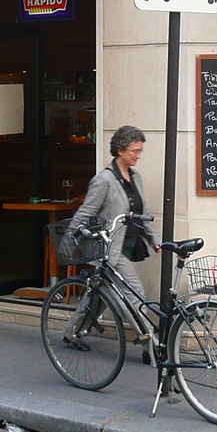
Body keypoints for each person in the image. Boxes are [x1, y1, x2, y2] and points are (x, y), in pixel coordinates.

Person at [65, 124, 155, 345]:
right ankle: (150, 342)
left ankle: (72, 331)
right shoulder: (104, 180)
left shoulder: (135, 177)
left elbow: (142, 213)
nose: (138, 155)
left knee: (99, 295)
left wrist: (156, 240)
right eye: (135, 151)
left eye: (140, 151)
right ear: (121, 150)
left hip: (129, 244)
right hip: (108, 248)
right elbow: (85, 213)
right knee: (134, 293)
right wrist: (69, 242)